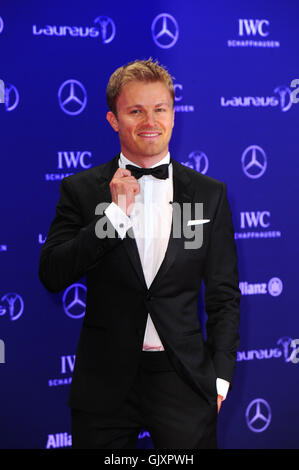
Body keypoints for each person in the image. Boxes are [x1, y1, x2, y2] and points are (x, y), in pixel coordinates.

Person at [39, 58, 240, 449]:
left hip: (183, 378)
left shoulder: (207, 194)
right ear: (114, 120)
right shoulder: (81, 190)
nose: (150, 120)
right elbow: (52, 272)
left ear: (173, 114)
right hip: (104, 382)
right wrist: (112, 217)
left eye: (160, 108)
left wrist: (220, 378)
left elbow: (224, 296)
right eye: (135, 111)